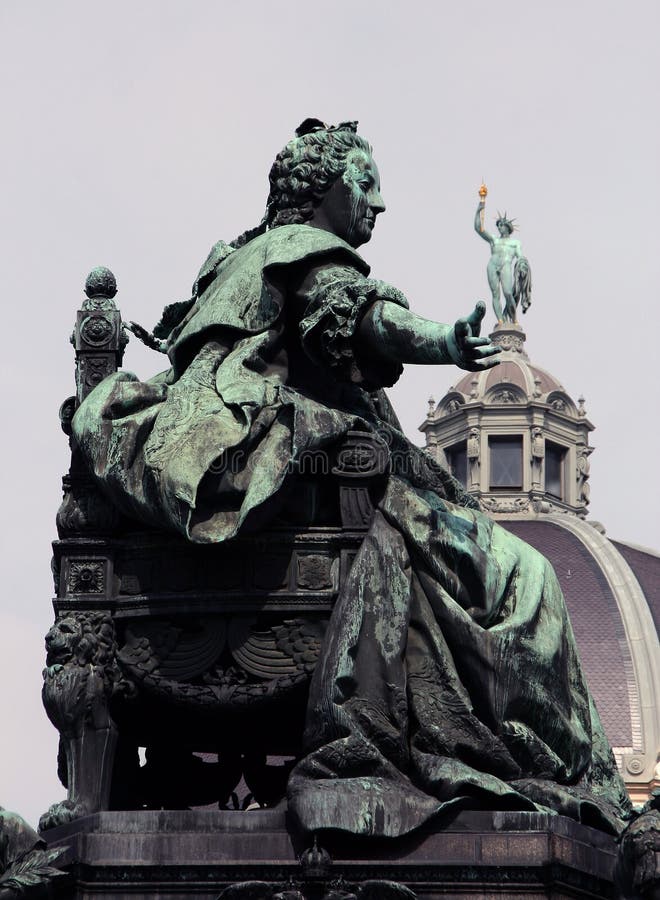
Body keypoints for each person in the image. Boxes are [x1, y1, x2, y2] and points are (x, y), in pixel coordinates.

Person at [73, 120, 631, 838]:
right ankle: (532, 755)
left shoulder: (239, 264)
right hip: (313, 493)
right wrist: (444, 342)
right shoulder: (301, 254)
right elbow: (362, 320)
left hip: (294, 482)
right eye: (367, 184)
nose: (380, 203)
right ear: (325, 188)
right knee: (529, 580)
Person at [474, 201, 532, 323]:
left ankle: (514, 319)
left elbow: (520, 256)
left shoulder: (515, 243)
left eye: (501, 225)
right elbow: (479, 229)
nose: (499, 227)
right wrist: (479, 210)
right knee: (495, 295)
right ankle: (500, 320)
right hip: (492, 265)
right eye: (498, 225)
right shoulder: (494, 240)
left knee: (508, 293)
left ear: (507, 227)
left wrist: (522, 264)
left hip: (506, 265)